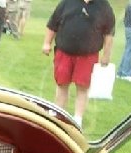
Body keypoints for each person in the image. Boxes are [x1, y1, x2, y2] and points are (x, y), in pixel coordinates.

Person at [42, 0, 115, 128]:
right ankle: (59, 113)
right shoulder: (67, 2)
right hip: (64, 52)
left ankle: (78, 118)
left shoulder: (104, 6)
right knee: (62, 83)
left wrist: (106, 55)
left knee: (83, 87)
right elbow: (53, 24)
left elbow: (108, 33)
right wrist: (47, 43)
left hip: (88, 55)